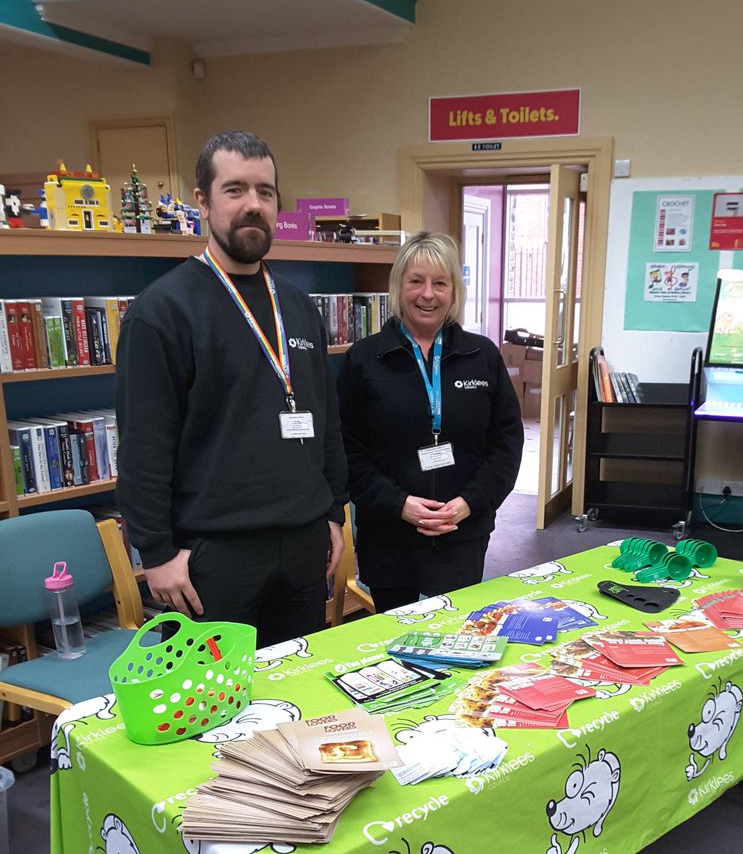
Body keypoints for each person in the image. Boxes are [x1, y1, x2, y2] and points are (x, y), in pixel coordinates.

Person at [115, 130, 347, 647]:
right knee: (216, 713)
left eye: (265, 192)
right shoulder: (162, 313)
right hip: (213, 557)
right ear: (202, 201)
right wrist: (155, 554)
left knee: (297, 693)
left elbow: (326, 421)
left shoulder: (300, 307)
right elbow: (142, 446)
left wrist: (333, 513)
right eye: (235, 190)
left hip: (304, 543)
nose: (253, 205)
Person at [337, 230, 524, 613]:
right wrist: (398, 503)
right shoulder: (364, 359)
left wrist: (471, 503)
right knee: (393, 640)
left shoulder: (482, 356)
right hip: (389, 535)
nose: (428, 294)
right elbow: (346, 450)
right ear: (398, 287)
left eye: (440, 283)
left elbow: (507, 442)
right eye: (416, 281)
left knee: (457, 635)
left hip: (462, 532)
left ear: (454, 291)